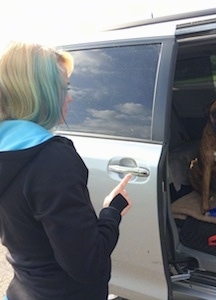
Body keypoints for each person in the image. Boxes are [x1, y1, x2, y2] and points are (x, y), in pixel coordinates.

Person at [0, 42, 133, 300]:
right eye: (64, 88)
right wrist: (111, 212)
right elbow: (89, 265)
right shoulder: (51, 160)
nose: (69, 97)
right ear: (41, 93)